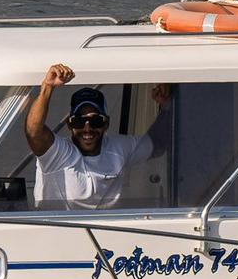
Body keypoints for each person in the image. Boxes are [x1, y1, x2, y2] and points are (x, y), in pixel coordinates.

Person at [25, 65, 172, 209]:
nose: (87, 129)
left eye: (95, 121)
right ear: (69, 124)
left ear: (106, 123)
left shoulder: (118, 148)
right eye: (79, 121)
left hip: (105, 231)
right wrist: (47, 87)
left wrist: (167, 106)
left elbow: (158, 144)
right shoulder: (58, 154)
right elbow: (33, 131)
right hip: (56, 231)